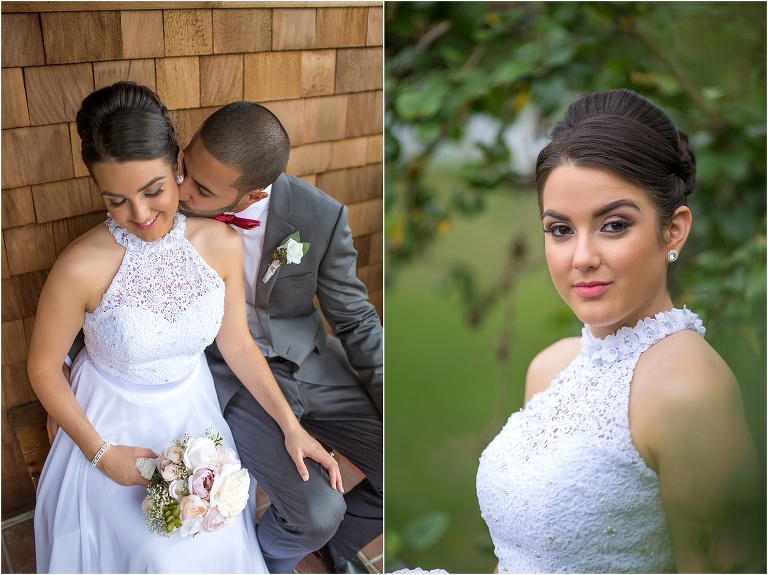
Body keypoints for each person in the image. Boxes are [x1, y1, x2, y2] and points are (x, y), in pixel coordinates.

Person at [30, 81, 341, 573]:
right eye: (116, 200)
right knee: (159, 557)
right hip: (110, 419)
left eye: (154, 191)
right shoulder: (80, 267)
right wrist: (101, 453)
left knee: (214, 541)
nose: (141, 215)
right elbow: (43, 368)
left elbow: (236, 342)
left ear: (177, 163)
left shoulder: (219, 242)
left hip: (194, 412)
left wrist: (290, 426)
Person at [475, 89, 762, 573]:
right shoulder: (549, 368)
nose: (582, 257)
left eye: (613, 225)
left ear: (673, 230)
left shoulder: (690, 390)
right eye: (561, 230)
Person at [175, 101, 383, 573]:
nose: (182, 190)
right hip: (230, 373)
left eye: (202, 189)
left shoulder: (321, 217)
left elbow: (354, 319)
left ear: (250, 197)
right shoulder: (168, 207)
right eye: (186, 167)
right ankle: (261, 562)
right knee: (315, 513)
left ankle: (334, 550)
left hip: (309, 360)